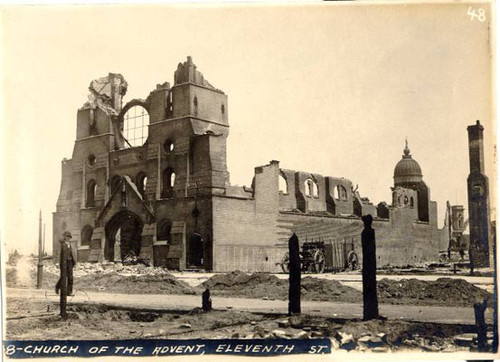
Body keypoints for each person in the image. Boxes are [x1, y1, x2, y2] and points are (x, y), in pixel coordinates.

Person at [55, 231, 77, 296]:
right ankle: (57, 286)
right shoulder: (62, 245)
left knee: (70, 277)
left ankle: (69, 292)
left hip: (70, 262)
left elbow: (74, 254)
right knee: (63, 277)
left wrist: (75, 262)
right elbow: (59, 254)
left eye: (69, 237)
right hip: (63, 263)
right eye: (66, 236)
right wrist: (58, 263)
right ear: (64, 237)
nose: (68, 238)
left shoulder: (71, 245)